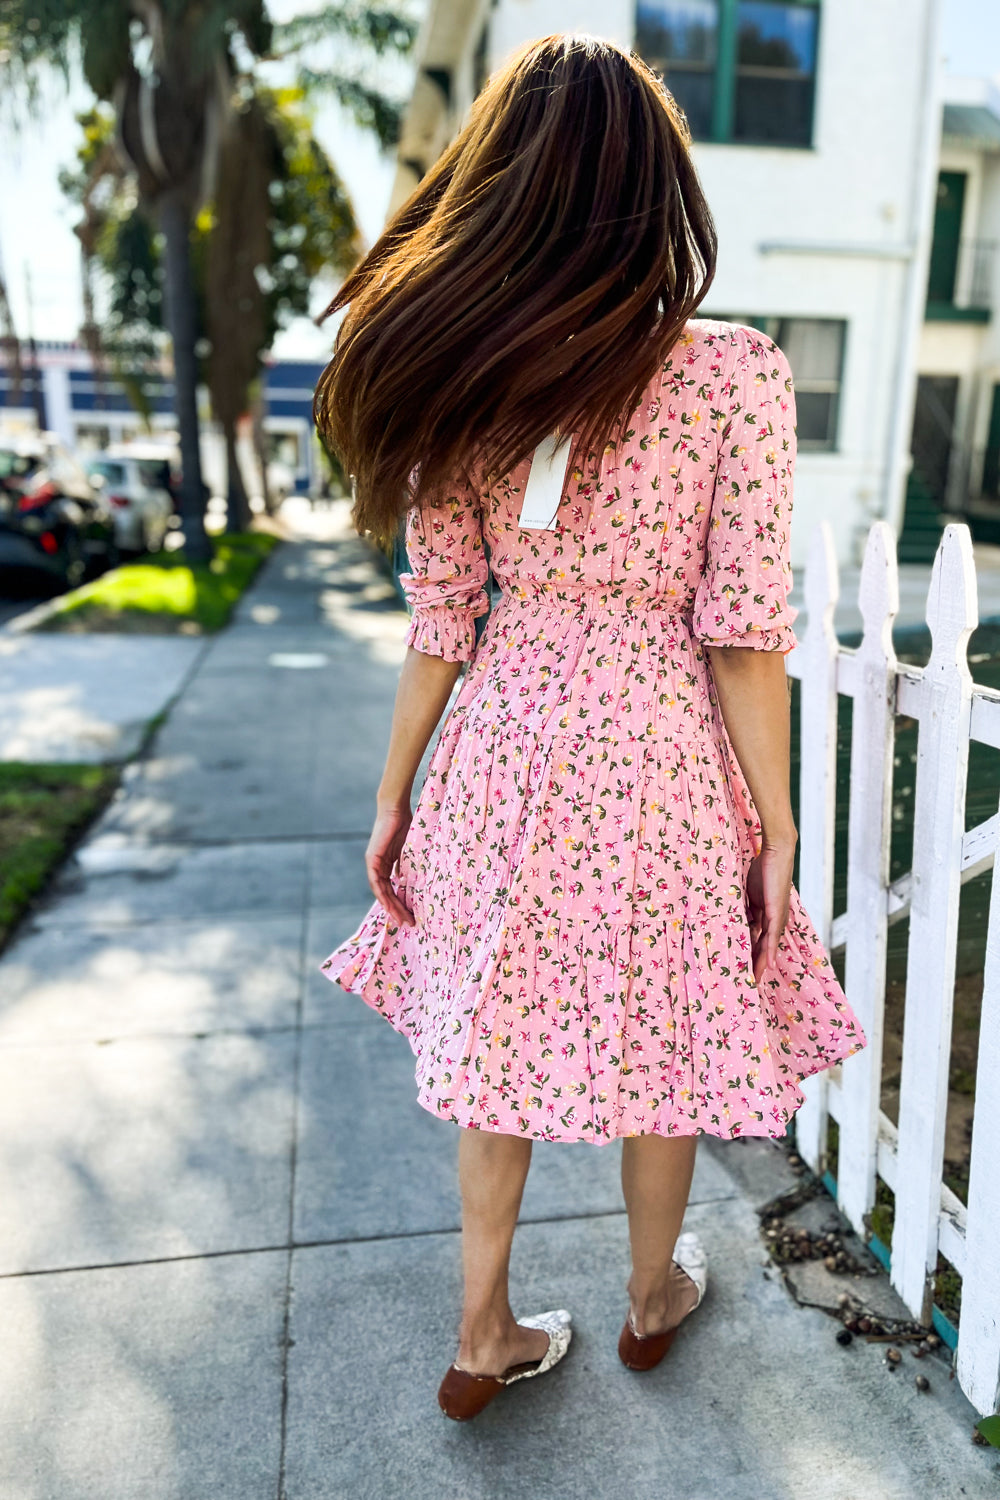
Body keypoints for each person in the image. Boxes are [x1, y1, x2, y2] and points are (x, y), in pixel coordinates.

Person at [314, 33, 868, 1422]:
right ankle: (646, 1296)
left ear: (502, 185)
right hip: (663, 754)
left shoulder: (462, 367)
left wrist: (395, 798)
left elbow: (444, 616)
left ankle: (482, 1329)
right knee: (667, 1030)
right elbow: (742, 628)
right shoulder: (734, 372)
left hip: (500, 742)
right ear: (655, 183)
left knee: (497, 1031)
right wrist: (780, 820)